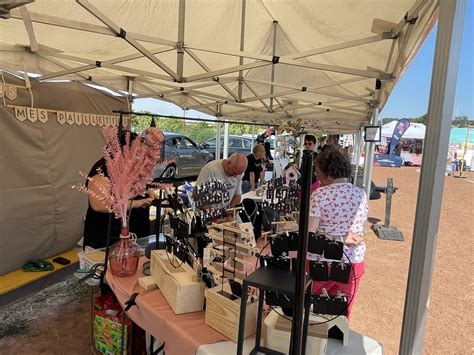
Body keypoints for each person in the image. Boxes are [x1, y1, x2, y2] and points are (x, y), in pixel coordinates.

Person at [308, 147, 368, 318]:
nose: (316, 175)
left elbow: (311, 234)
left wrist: (339, 238)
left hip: (322, 262)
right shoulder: (360, 194)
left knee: (316, 312)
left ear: (328, 171)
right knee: (341, 314)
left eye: (317, 171)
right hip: (353, 260)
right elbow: (358, 229)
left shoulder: (320, 194)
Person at [83, 131, 155, 249]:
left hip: (135, 235)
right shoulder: (102, 170)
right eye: (135, 151)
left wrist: (149, 192)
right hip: (107, 237)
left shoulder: (131, 167)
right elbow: (99, 205)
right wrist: (137, 203)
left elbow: (142, 185)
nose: (138, 154)